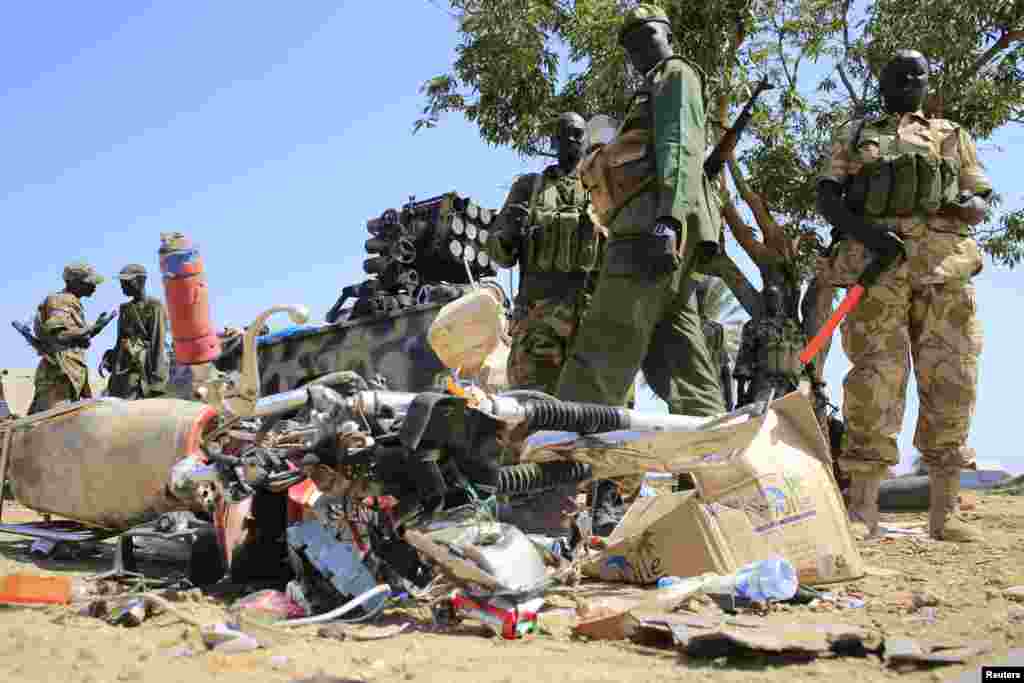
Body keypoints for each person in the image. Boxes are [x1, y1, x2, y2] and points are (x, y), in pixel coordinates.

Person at [816, 49, 990, 542]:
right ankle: (864, 510)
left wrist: (963, 204)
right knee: (874, 381)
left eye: (919, 73)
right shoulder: (855, 135)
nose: (910, 80)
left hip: (945, 269)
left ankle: (946, 512)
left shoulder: (951, 135)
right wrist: (868, 235)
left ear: (927, 82)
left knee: (954, 380)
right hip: (878, 270)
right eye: (900, 74)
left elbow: (980, 197)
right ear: (883, 81)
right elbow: (828, 195)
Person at [553, 4, 724, 419]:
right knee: (681, 363)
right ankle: (721, 457)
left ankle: (560, 450)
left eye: (647, 35)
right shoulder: (652, 85)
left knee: (603, 345)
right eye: (630, 44)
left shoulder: (675, 74)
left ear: (668, 35)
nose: (639, 48)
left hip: (649, 229)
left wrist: (668, 219)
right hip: (658, 235)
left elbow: (680, 146)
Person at [28, 263, 114, 414]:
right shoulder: (61, 301)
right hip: (58, 377)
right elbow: (60, 336)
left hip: (70, 374)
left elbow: (74, 338)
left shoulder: (71, 301)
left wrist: (97, 328)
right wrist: (91, 328)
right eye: (89, 282)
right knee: (51, 425)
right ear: (73, 282)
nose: (94, 286)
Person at [101, 264, 169, 399]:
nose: (123, 285)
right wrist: (110, 357)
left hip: (141, 370)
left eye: (127, 282)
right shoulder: (125, 309)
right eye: (121, 282)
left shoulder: (154, 306)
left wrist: (157, 383)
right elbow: (120, 341)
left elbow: (157, 344)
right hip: (121, 371)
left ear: (140, 281)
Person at [695, 277, 734, 410]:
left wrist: (729, 400)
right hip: (692, 393)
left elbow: (724, 368)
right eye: (698, 294)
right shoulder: (681, 328)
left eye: (703, 294)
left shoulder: (715, 329)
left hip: (715, 394)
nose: (701, 298)